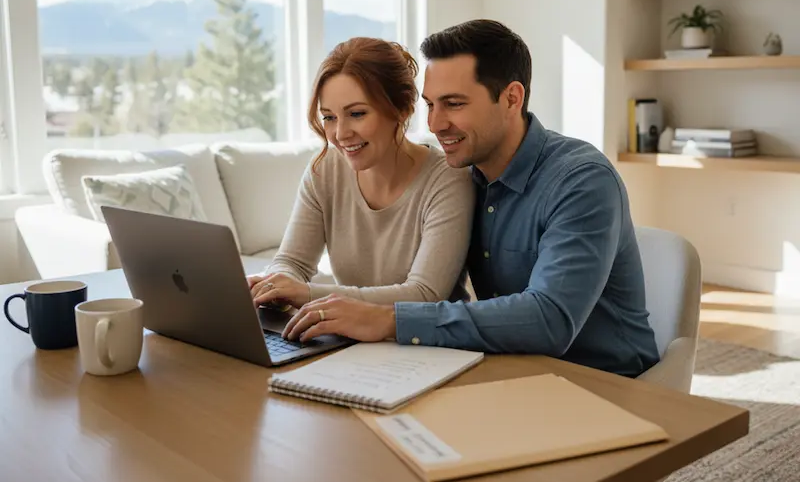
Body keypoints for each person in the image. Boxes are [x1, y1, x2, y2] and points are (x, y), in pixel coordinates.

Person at [280, 19, 661, 378]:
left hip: (603, 382)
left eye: (455, 104)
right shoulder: (468, 172)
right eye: (431, 105)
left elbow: (550, 319)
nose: (435, 124)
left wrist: (388, 319)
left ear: (512, 98)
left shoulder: (582, 180)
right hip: (510, 369)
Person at [247, 37, 475, 312]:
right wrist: (272, 285)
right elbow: (293, 262)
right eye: (329, 117)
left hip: (427, 348)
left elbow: (424, 294)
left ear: (402, 110)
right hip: (348, 342)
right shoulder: (325, 170)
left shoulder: (448, 180)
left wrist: (306, 294)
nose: (340, 134)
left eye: (356, 113)